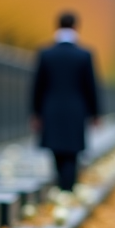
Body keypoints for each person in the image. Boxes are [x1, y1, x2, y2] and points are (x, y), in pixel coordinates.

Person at [30, 11, 101, 191]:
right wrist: (95, 113)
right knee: (72, 153)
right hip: (76, 110)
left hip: (51, 109)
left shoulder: (46, 54)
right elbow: (91, 87)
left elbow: (38, 87)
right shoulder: (84, 55)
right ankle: (68, 189)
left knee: (56, 151)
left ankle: (61, 186)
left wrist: (36, 112)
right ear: (76, 27)